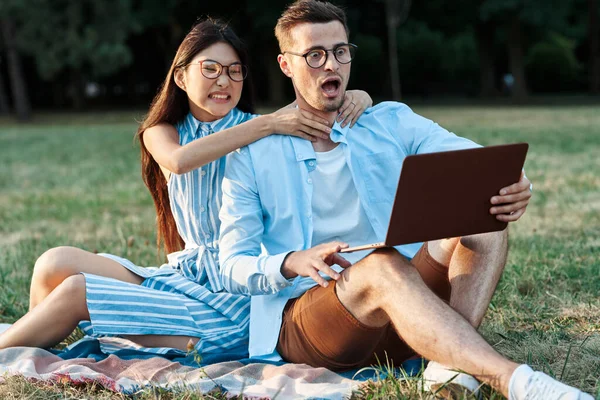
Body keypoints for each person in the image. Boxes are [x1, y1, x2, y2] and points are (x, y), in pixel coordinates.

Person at [217, 1, 593, 399]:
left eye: (340, 51)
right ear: (286, 65)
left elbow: (473, 160)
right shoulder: (252, 154)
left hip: (406, 309)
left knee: (482, 219)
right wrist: (292, 262)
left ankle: (449, 370)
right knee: (382, 267)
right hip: (313, 322)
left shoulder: (388, 120)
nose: (331, 65)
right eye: (314, 55)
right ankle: (514, 380)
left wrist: (518, 185)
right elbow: (231, 266)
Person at [0, 18, 373, 357]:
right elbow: (179, 161)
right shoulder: (169, 131)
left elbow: (322, 113)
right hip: (188, 274)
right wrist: (268, 124)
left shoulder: (262, 130)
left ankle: (13, 347)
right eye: (210, 69)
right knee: (54, 263)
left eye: (234, 71)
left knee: (77, 292)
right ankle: (32, 348)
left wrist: (359, 97)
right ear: (180, 77)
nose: (224, 81)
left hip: (237, 288)